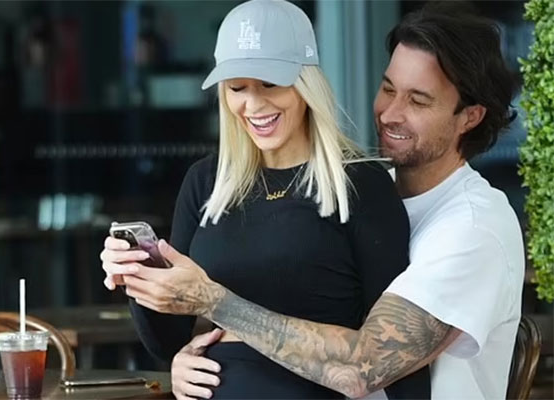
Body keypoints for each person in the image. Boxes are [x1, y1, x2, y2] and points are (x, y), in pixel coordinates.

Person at [110, 3, 525, 400]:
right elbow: (218, 316)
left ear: (469, 116)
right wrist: (181, 341)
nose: (389, 113)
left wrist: (213, 301)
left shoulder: (472, 226)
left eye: (418, 100)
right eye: (387, 89)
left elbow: (365, 367)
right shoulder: (371, 183)